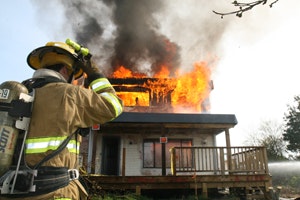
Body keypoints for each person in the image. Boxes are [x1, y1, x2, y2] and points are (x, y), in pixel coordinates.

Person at [1, 41, 123, 200]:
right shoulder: (71, 94)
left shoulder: (19, 94)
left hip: (10, 191)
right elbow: (114, 105)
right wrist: (93, 72)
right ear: (66, 70)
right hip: (55, 193)